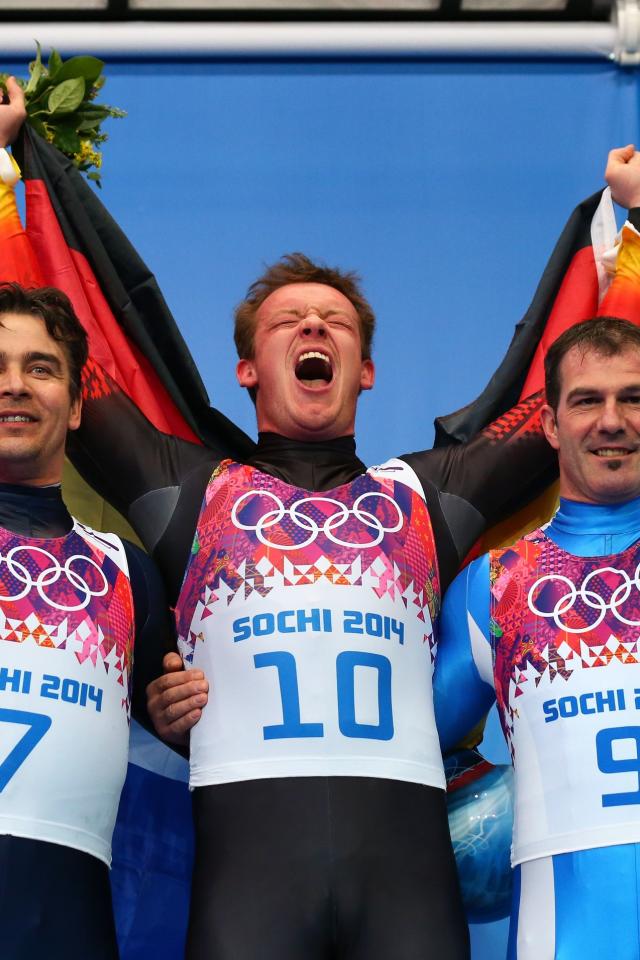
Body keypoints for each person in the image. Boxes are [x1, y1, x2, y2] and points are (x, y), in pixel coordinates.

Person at [4, 75, 640, 960]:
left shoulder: (424, 498)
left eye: (335, 322)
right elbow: (67, 376)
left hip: (406, 886)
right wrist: (9, 173)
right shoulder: (191, 490)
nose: (314, 327)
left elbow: (558, 406)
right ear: (246, 369)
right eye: (289, 321)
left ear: (366, 369)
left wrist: (629, 236)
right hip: (248, 885)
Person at [434, 314, 640, 959]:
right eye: (587, 401)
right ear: (550, 424)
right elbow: (392, 753)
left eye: (633, 398)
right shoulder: (492, 588)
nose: (612, 421)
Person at [0, 282, 170, 959]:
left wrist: (179, 714)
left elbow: (183, 734)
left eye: (40, 367)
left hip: (68, 918)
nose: (14, 385)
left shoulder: (128, 572)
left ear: (75, 406)